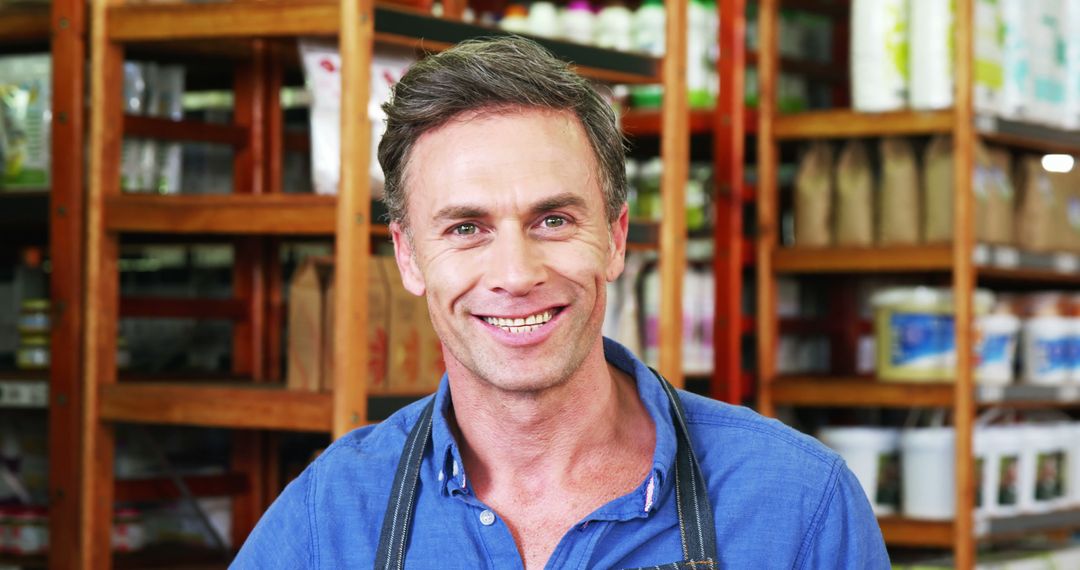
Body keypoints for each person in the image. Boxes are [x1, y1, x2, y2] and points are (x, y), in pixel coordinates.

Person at [233, 36, 889, 569]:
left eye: (553, 221)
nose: (516, 273)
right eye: (467, 228)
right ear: (408, 257)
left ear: (615, 239)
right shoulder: (330, 519)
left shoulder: (798, 505)